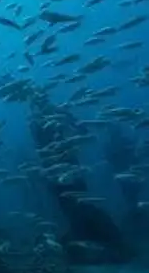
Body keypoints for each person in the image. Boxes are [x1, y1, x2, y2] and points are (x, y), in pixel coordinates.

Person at [29, 89, 127, 258]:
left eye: (39, 100)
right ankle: (83, 233)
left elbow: (83, 132)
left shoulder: (61, 113)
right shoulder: (35, 122)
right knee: (65, 204)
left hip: (70, 167)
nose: (38, 105)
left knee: (80, 200)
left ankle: (106, 236)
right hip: (53, 170)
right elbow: (40, 148)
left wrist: (67, 134)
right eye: (35, 102)